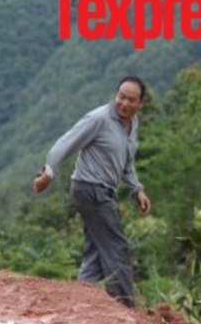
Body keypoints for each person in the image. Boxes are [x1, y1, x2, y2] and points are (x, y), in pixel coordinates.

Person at [34, 76, 152, 308]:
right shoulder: (99, 119)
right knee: (117, 246)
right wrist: (48, 172)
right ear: (115, 95)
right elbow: (66, 143)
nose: (124, 103)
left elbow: (126, 163)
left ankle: (80, 299)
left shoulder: (133, 124)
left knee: (97, 249)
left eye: (131, 100)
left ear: (140, 104)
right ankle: (125, 306)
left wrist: (137, 189)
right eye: (121, 97)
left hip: (105, 190)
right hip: (89, 188)